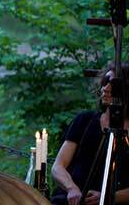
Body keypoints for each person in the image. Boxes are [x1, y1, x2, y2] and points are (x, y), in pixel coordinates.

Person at [51, 63, 129, 205]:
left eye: (112, 85)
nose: (105, 88)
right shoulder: (85, 120)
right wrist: (72, 189)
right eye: (105, 82)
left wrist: (109, 197)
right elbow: (58, 167)